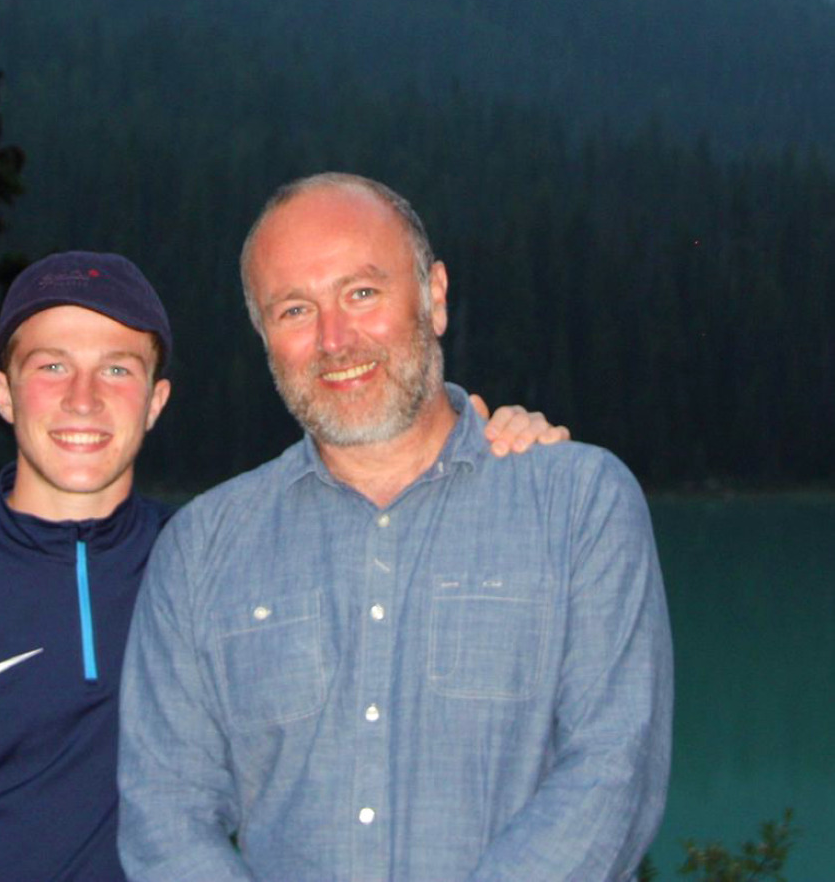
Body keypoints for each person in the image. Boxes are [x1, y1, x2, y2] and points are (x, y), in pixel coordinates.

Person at [0, 249, 563, 881]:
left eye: (119, 370)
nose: (85, 400)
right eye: (53, 367)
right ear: (4, 392)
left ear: (157, 400)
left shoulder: (214, 564)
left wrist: (490, 447)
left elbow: (387, 571)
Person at [118, 173, 673, 882]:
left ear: (434, 296)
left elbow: (612, 772)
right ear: (264, 338)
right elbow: (166, 817)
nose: (334, 340)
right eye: (294, 310)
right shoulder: (199, 552)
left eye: (362, 293)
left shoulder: (580, 506)